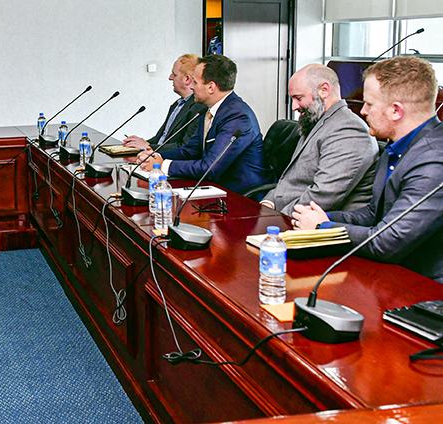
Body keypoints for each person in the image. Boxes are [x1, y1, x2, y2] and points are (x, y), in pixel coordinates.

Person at [292, 56, 443, 283]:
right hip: (389, 274)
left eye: (369, 104)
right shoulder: (397, 145)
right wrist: (325, 216)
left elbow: (387, 241)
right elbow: (374, 213)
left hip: (424, 290)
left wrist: (322, 226)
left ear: (396, 111)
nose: (362, 111)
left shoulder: (434, 161)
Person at [137, 54, 271, 194]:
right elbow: (189, 151)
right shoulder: (208, 110)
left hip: (242, 197)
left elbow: (210, 167)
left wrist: (163, 165)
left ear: (211, 87)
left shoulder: (237, 116)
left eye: (195, 82)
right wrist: (154, 156)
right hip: (215, 189)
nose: (192, 87)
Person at [261, 64, 378, 216]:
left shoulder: (349, 130)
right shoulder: (316, 121)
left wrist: (277, 216)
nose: (294, 107)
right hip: (290, 215)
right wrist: (268, 202)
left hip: (316, 227)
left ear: (324, 90)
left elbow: (323, 196)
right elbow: (291, 181)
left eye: (299, 98)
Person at [123, 54, 207, 153]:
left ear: (187, 79)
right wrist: (137, 144)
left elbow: (185, 146)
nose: (170, 78)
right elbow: (160, 139)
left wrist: (148, 147)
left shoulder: (198, 108)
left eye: (174, 74)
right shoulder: (176, 105)